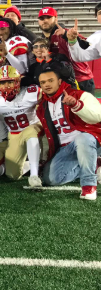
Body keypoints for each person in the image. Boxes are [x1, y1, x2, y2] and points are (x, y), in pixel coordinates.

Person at [36, 67, 101, 199]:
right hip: (66, 147)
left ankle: (89, 185)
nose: (47, 84)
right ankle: (95, 164)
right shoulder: (43, 106)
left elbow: (98, 116)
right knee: (52, 179)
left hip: (89, 141)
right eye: (43, 82)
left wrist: (76, 105)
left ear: (60, 81)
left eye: (50, 80)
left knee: (82, 138)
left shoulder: (80, 95)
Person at [0, 65, 43, 185]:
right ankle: (32, 165)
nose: (6, 86)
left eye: (10, 82)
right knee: (13, 174)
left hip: (37, 129)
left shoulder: (31, 92)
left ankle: (34, 175)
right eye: (2, 83)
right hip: (15, 134)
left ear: (17, 82)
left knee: (30, 131)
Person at [38, 7, 95, 94]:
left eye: (48, 17)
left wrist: (69, 37)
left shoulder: (67, 33)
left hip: (80, 80)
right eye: (42, 18)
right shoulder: (42, 40)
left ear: (56, 19)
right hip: (60, 81)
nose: (45, 20)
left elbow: (87, 46)